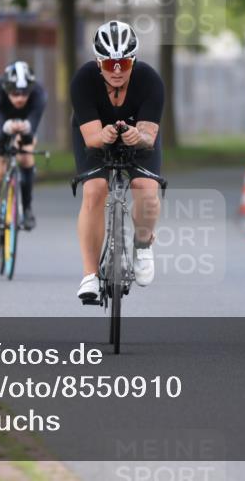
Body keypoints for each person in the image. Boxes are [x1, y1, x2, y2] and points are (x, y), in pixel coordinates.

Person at [71, 20, 164, 301]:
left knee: (147, 190)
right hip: (96, 134)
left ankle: (143, 244)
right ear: (98, 62)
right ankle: (90, 275)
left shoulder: (149, 80)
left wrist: (139, 136)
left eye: (123, 64)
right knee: (94, 190)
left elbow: (149, 135)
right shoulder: (83, 80)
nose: (116, 71)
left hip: (137, 135)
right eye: (109, 64)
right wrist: (105, 136)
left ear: (132, 61)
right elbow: (90, 138)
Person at [0, 61, 47, 244]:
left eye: (24, 93)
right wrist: (8, 128)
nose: (20, 98)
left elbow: (32, 129)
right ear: (7, 89)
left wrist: (25, 131)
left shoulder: (39, 94)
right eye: (15, 93)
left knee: (25, 157)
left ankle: (28, 208)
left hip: (25, 125)